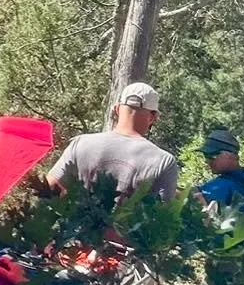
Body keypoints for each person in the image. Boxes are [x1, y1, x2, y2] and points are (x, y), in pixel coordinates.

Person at [35, 81, 180, 204]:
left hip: (75, 236)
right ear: (153, 117)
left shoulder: (81, 144)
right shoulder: (164, 161)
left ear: (117, 109)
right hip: (126, 238)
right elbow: (165, 216)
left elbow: (49, 190)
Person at [195, 128, 244, 252]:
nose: (207, 160)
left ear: (230, 155)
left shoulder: (225, 185)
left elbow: (194, 196)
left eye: (212, 155)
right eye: (206, 156)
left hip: (229, 256)